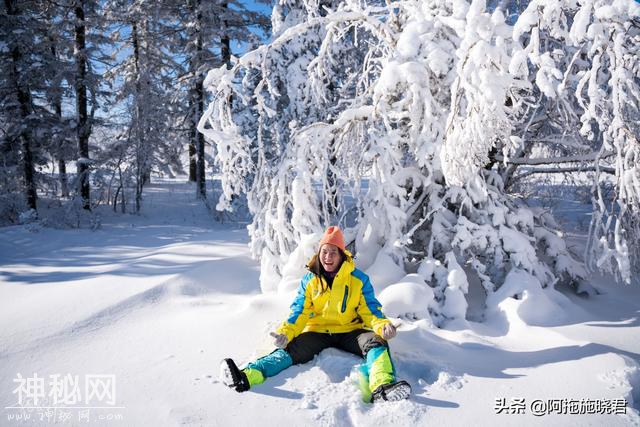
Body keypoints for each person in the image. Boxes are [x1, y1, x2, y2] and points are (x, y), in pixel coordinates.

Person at [220, 226, 411, 402]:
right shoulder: (310, 281)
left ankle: (382, 387)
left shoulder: (358, 280)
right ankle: (245, 377)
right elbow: (300, 311)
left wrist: (381, 326)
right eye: (324, 252)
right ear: (319, 253)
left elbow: (370, 310)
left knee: (377, 342)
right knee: (289, 350)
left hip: (350, 332)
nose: (328, 257)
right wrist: (286, 333)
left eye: (333, 252)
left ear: (342, 255)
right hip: (318, 333)